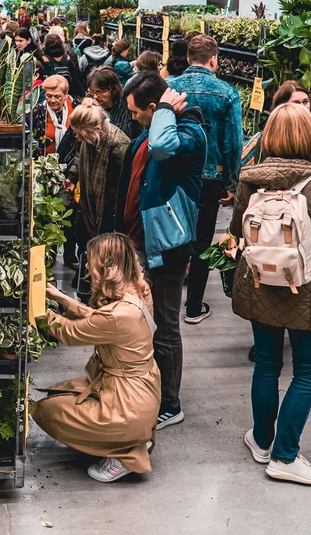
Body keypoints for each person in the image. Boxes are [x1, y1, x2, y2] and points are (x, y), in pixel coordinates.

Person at [230, 103, 311, 485]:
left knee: (267, 365)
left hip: (260, 284)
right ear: (309, 137)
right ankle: (285, 457)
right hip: (308, 292)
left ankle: (262, 440)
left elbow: (237, 227)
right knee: (307, 372)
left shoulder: (250, 179)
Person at [32, 233, 161, 483]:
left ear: (108, 266)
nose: (87, 266)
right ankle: (127, 437)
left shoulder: (116, 316)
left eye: (91, 261)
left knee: (48, 410)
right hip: (141, 389)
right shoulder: (138, 291)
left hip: (127, 401)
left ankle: (125, 453)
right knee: (62, 392)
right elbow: (100, 320)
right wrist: (62, 299)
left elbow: (69, 333)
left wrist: (37, 311)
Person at [120, 70, 206, 430]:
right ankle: (150, 390)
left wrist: (167, 111)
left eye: (139, 113)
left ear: (156, 107)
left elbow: (161, 148)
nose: (134, 119)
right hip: (143, 243)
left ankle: (171, 403)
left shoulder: (188, 134)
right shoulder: (155, 127)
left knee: (166, 327)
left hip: (167, 247)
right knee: (145, 323)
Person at [167, 34, 244, 326]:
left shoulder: (170, 87)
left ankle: (168, 301)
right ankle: (194, 306)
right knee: (201, 242)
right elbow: (233, 141)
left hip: (175, 173)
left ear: (188, 58)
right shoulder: (226, 92)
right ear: (214, 60)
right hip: (210, 178)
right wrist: (231, 182)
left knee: (174, 233)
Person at [64, 101, 132, 301]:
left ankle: (102, 294)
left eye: (81, 134)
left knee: (104, 252)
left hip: (108, 211)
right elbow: (79, 156)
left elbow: (122, 186)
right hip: (90, 206)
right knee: (88, 246)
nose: (78, 138)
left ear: (96, 128)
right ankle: (88, 289)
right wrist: (72, 177)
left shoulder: (118, 145)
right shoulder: (90, 140)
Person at [86, 67, 140, 140]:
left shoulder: (128, 106)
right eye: (93, 92)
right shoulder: (92, 109)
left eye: (100, 91)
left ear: (113, 88)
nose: (95, 96)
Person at [31, 75, 76, 157]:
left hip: (70, 164)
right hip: (43, 164)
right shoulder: (37, 111)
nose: (52, 100)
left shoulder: (75, 109)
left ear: (66, 95)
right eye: (49, 96)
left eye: (57, 96)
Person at [37, 32, 84, 99]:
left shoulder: (45, 59)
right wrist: (81, 93)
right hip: (67, 93)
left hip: (51, 94)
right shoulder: (67, 58)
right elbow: (75, 78)